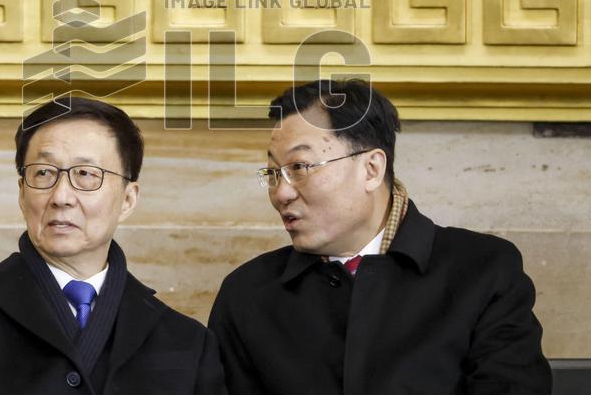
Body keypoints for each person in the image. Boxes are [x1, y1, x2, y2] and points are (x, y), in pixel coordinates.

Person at [209, 79, 551, 394]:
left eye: (299, 168)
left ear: (371, 169)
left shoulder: (482, 272)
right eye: (273, 173)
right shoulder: (247, 295)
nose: (281, 193)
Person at [0, 97, 225, 395]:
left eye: (85, 174)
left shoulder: (187, 341)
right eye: (43, 173)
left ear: (127, 199)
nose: (61, 197)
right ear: (22, 193)